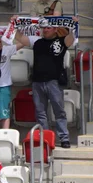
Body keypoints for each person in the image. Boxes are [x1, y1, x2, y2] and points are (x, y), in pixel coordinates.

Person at [13, 21, 76, 149]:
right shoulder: (36, 41)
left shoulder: (61, 41)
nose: (45, 30)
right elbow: (19, 37)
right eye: (44, 28)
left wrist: (72, 25)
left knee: (59, 111)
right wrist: (15, 24)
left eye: (48, 27)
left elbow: (71, 38)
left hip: (54, 82)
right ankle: (44, 137)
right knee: (40, 113)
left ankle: (64, 138)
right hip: (37, 82)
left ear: (55, 29)